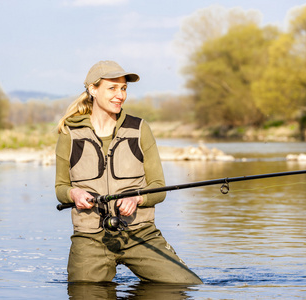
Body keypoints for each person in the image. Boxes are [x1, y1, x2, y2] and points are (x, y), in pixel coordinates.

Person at [55, 60, 202, 284]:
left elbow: (159, 188)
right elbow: (61, 188)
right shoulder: (69, 133)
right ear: (93, 90)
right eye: (112, 88)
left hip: (140, 234)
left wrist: (138, 197)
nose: (120, 95)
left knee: (188, 286)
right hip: (90, 238)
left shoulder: (140, 129)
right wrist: (73, 194)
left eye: (123, 88)